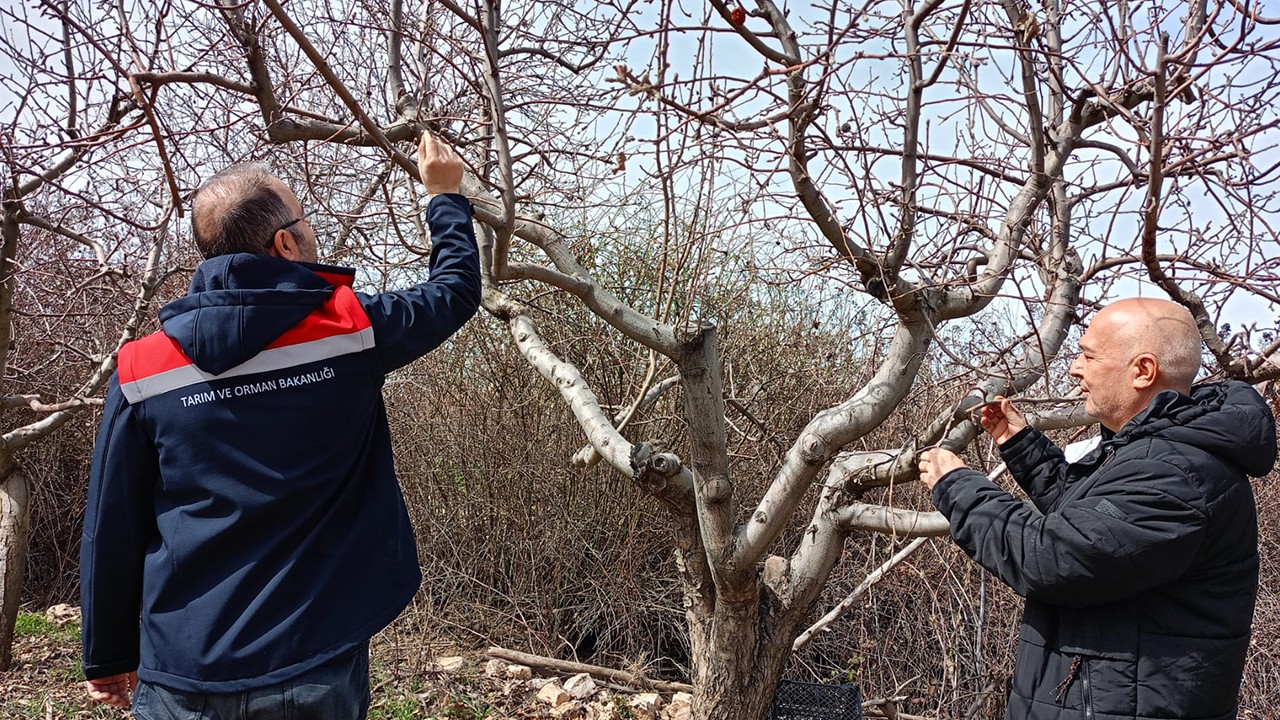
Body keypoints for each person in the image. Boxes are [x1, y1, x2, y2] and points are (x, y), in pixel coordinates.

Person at [80, 132, 481, 718]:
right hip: (311, 660)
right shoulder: (349, 331)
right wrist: (444, 195)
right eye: (305, 218)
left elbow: (111, 523)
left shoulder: (143, 366)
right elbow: (452, 291)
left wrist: (107, 654)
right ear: (286, 242)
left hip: (181, 674)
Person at [918, 298, 1276, 720]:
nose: (1075, 369)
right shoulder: (1157, 452)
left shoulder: (1178, 475)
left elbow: (1053, 558)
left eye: (1089, 356)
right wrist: (1020, 444)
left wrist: (956, 485)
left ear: (1142, 371)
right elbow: (1095, 519)